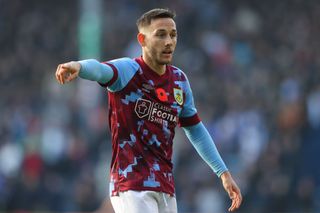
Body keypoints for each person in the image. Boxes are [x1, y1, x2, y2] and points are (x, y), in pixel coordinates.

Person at [55, 8, 242, 213]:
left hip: (165, 187)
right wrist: (78, 66)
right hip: (131, 184)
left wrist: (223, 173)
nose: (169, 41)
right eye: (160, 35)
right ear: (142, 40)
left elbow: (195, 128)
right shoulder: (129, 71)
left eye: (173, 35)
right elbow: (100, 69)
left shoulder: (179, 81)